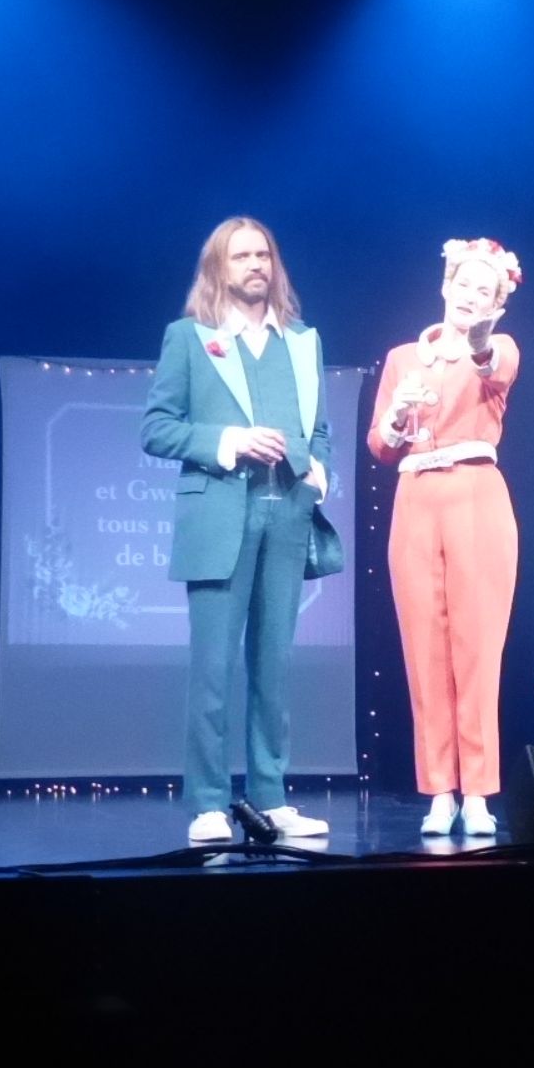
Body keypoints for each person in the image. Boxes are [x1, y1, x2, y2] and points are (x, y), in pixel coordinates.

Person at [141, 216, 334, 845]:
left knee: (274, 668)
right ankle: (208, 803)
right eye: (241, 256)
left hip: (287, 517)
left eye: (263, 255)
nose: (255, 265)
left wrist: (319, 471)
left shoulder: (301, 341)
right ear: (218, 268)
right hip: (220, 515)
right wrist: (230, 440)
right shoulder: (191, 338)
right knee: (213, 670)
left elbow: (318, 428)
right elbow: (157, 428)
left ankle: (271, 798)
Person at [368, 239, 523, 837]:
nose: (471, 296)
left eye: (485, 291)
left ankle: (478, 791)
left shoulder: (500, 347)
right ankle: (439, 790)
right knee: (424, 651)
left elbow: (493, 367)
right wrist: (396, 416)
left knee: (477, 649)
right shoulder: (403, 357)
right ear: (445, 286)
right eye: (464, 285)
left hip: (476, 495)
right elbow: (380, 447)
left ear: (497, 304)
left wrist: (481, 341)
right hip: (415, 499)